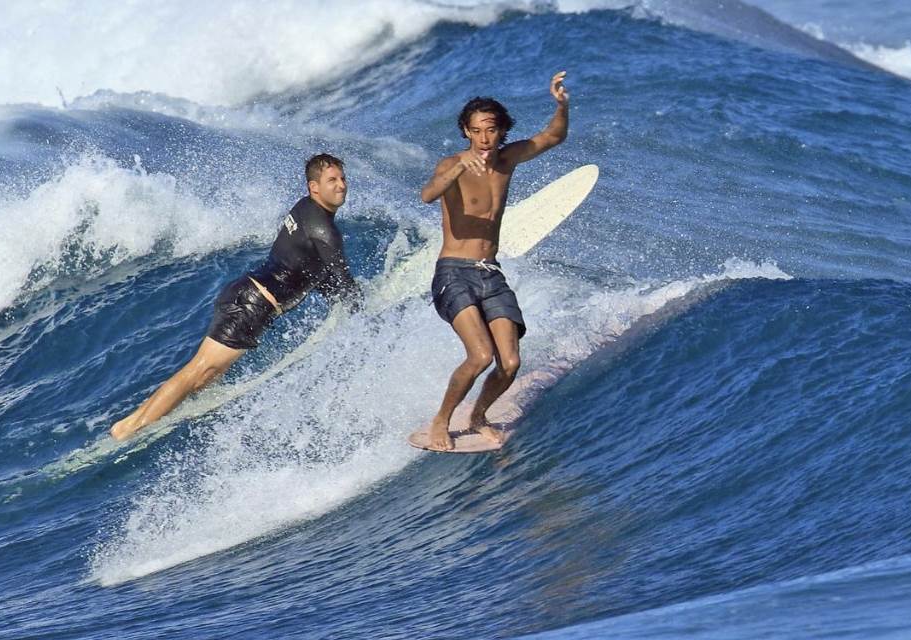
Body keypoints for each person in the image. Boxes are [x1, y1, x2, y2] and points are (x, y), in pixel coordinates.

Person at [111, 153, 362, 440]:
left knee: (201, 377)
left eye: (343, 178)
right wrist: (363, 314)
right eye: (332, 180)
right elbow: (344, 284)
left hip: (245, 294)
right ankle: (129, 429)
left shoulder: (305, 210)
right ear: (313, 187)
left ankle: (141, 416)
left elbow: (310, 270)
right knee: (197, 372)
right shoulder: (325, 231)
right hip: (251, 306)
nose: (341, 185)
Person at [419, 71, 569, 451]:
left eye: (491, 130)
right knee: (481, 355)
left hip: (490, 272)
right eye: (476, 131)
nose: (484, 139)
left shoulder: (507, 160)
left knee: (510, 362)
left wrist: (561, 105)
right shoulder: (451, 165)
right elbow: (428, 194)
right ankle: (441, 420)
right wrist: (458, 168)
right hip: (453, 272)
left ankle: (478, 416)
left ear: (502, 131)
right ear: (465, 132)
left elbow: (553, 137)